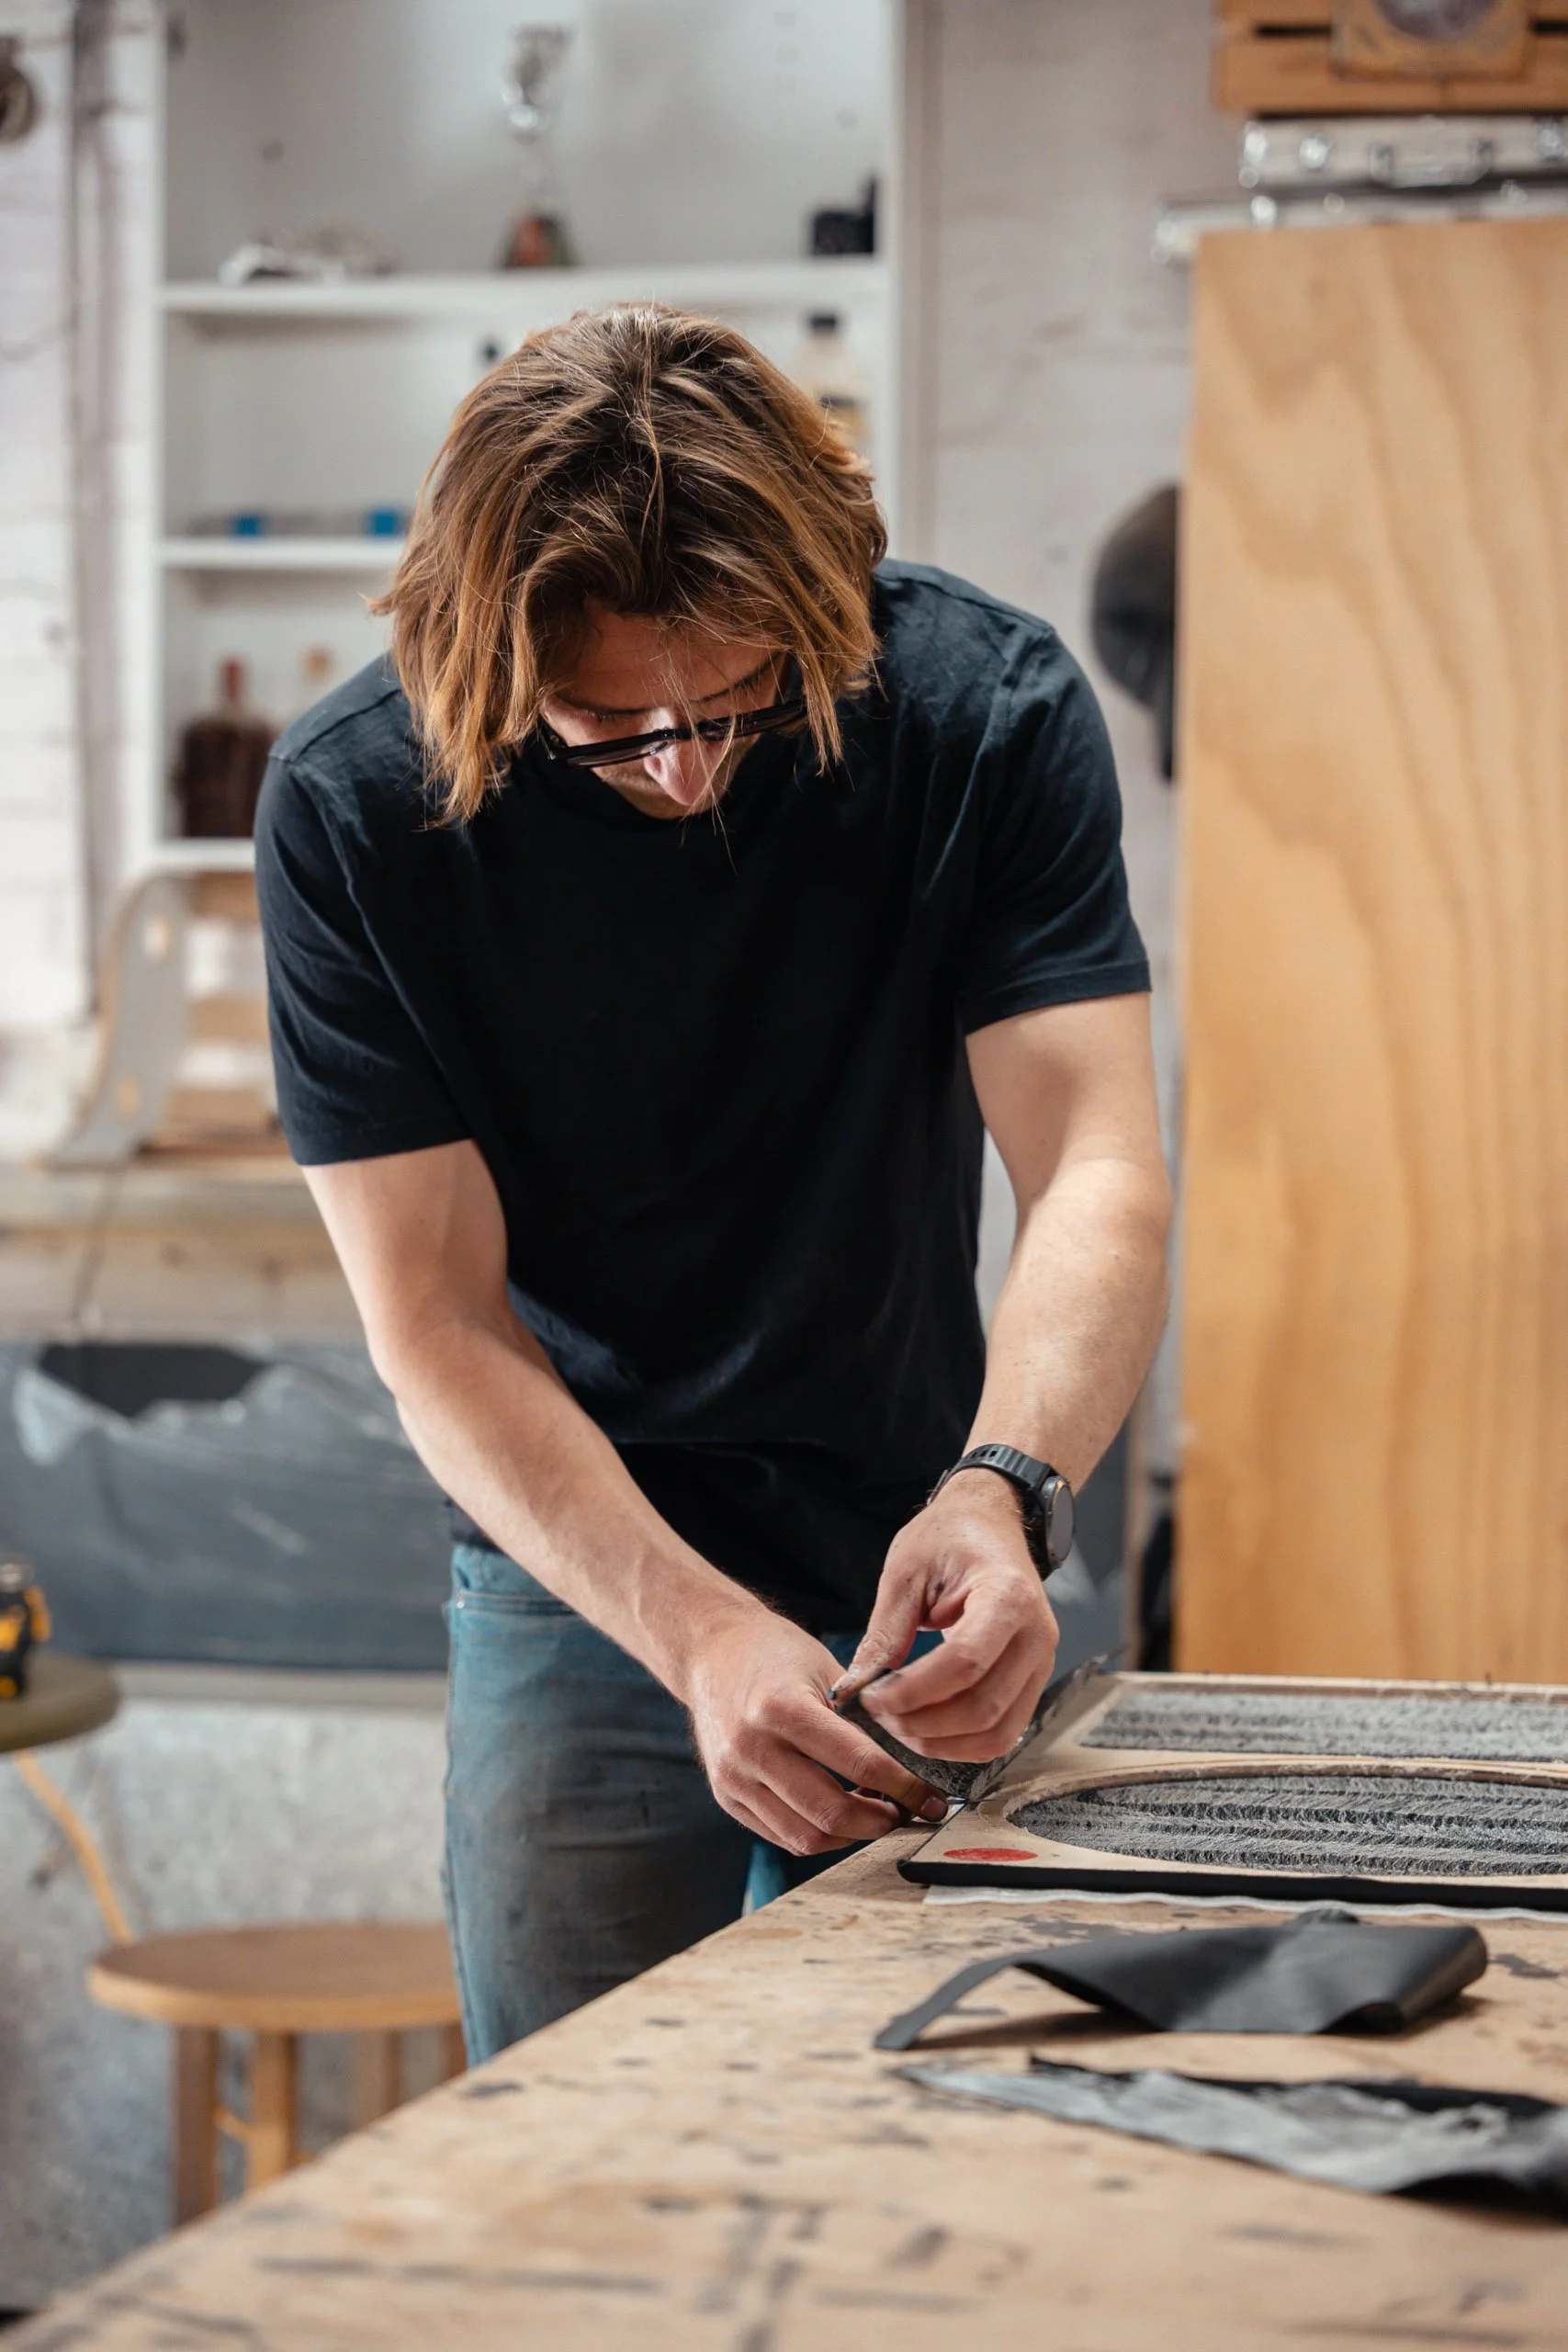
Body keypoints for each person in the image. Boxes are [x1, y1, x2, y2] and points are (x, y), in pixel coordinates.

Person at [255, 304, 1172, 2061]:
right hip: (578, 1568)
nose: (679, 765)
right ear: (485, 656)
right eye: (603, 724)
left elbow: (1095, 1169)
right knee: (593, 2150)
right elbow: (435, 1318)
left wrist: (1005, 1493)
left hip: (938, 1536)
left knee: (960, 2120)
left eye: (743, 699)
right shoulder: (359, 804)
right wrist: (690, 1634)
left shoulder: (980, 713)